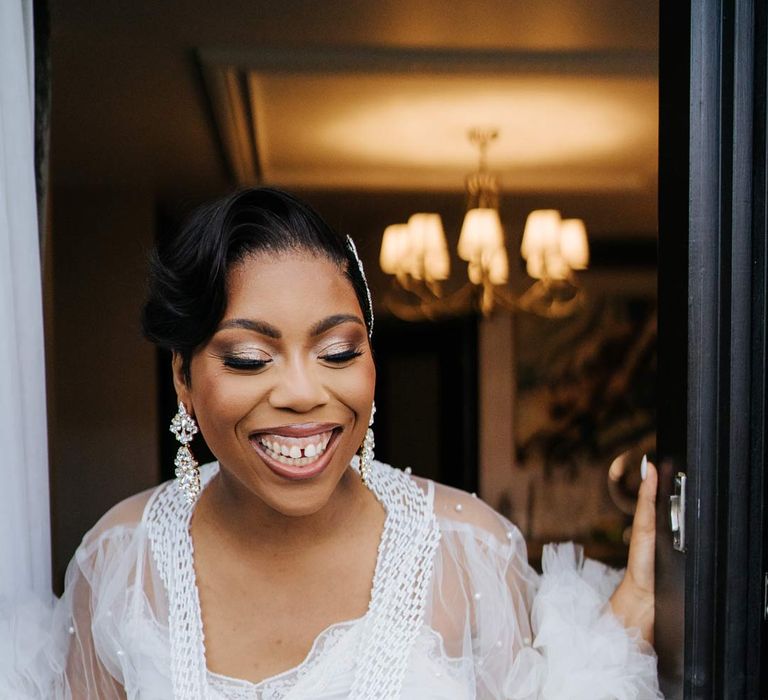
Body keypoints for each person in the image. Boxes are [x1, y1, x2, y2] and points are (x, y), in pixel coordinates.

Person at [2, 188, 661, 698]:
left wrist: (625, 628)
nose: (302, 392)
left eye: (338, 350)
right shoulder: (123, 561)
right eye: (251, 358)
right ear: (183, 375)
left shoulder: (469, 553)